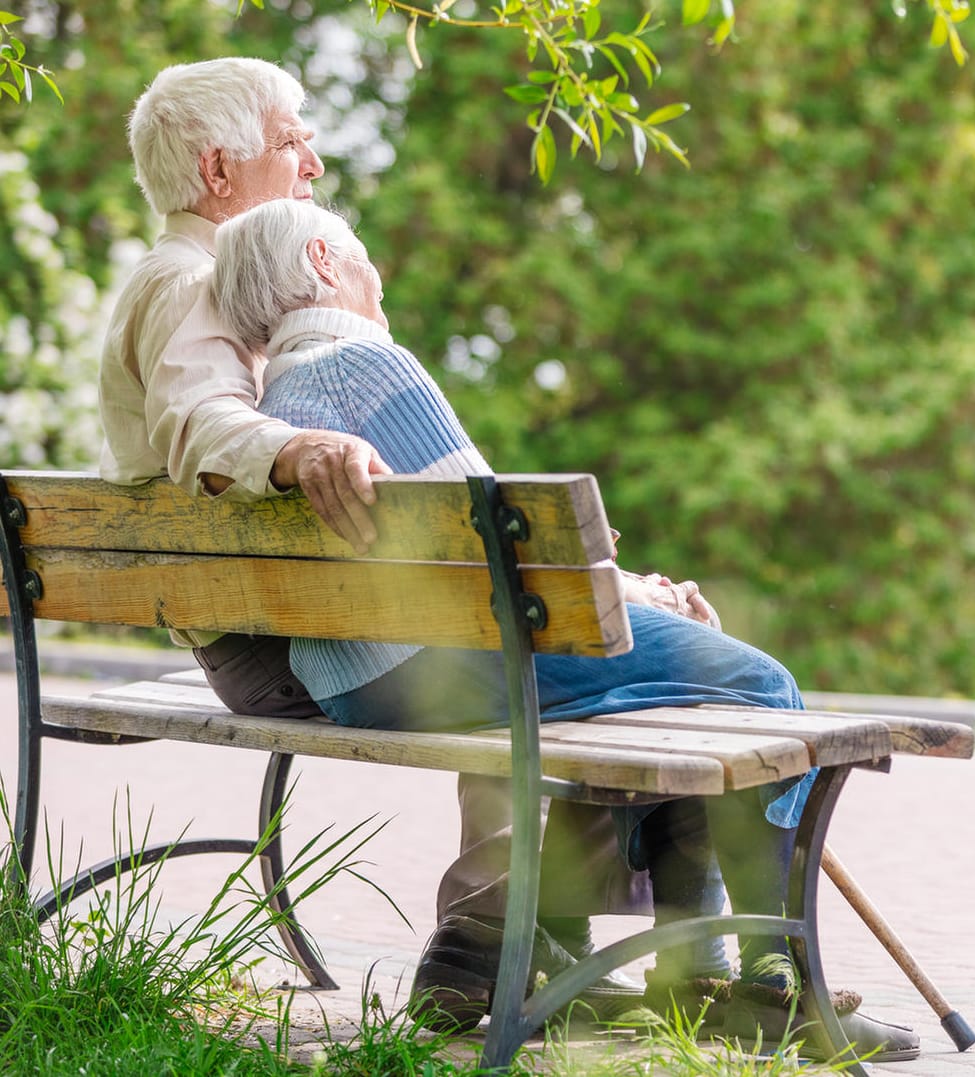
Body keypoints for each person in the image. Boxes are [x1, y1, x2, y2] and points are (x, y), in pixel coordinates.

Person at [209, 197, 920, 1061]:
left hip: (352, 684)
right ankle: (775, 985)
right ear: (324, 260)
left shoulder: (274, 402)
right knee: (759, 688)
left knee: (677, 701)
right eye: (364, 257)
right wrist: (648, 598)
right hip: (444, 661)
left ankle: (698, 971)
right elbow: (502, 555)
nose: (377, 275)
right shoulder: (366, 366)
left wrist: (628, 592)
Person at [95, 58, 646, 1027]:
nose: (312, 161)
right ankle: (497, 942)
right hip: (279, 642)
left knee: (502, 629)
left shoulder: (200, 279)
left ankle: (519, 946)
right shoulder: (192, 283)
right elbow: (197, 420)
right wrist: (297, 444)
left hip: (271, 619)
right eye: (291, 138)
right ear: (219, 171)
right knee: (559, 649)